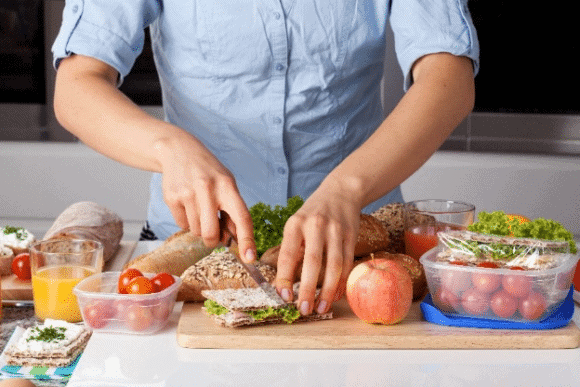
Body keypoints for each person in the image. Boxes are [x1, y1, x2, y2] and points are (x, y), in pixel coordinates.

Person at [52, 0, 479, 316]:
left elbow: (449, 77)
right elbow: (76, 86)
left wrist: (347, 188)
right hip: (193, 258)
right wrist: (170, 148)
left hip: (355, 261)